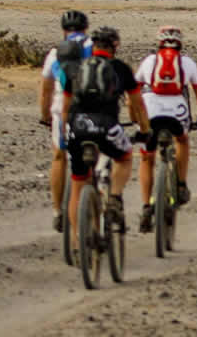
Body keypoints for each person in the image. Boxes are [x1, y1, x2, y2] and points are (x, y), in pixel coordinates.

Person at [61, 26, 149, 249]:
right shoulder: (120, 68)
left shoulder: (77, 68)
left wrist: (66, 130)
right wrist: (145, 129)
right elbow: (136, 103)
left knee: (78, 182)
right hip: (106, 126)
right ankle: (114, 197)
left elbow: (66, 106)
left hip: (78, 127)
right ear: (115, 46)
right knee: (125, 156)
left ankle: (76, 241)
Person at [135, 24, 197, 233]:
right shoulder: (187, 63)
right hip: (177, 111)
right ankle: (181, 184)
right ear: (180, 43)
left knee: (147, 156)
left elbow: (134, 90)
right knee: (182, 140)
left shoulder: (149, 61)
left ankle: (146, 206)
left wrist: (135, 117)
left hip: (150, 111)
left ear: (159, 43)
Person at [38, 9, 91, 233]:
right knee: (94, 154)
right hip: (91, 109)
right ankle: (95, 201)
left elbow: (46, 89)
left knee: (59, 156)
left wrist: (45, 116)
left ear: (63, 31)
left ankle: (58, 211)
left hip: (62, 109)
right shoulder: (94, 48)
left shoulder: (55, 53)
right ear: (85, 29)